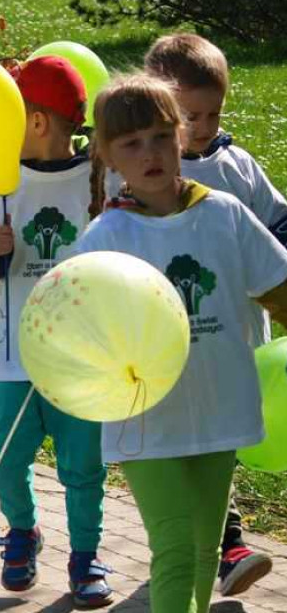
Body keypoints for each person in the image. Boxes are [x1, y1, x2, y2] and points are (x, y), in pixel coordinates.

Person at [80, 74, 287, 613]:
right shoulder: (105, 239)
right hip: (147, 423)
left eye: (159, 136)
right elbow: (77, 330)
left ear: (182, 135)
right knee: (173, 550)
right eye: (130, 144)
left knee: (203, 550)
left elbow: (280, 289)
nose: (148, 153)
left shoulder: (225, 215)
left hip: (221, 411)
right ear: (108, 156)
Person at [0, 57, 112, 607]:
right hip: (14, 356)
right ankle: (21, 532)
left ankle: (86, 554)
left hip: (81, 358)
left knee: (83, 467)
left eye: (12, 114)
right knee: (4, 453)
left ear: (39, 121)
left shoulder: (98, 179)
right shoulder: (2, 180)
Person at [144, 33, 280, 597]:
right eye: (189, 115)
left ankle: (219, 545)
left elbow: (277, 222)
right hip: (173, 345)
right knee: (193, 439)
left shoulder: (237, 165)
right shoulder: (147, 184)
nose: (201, 126)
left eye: (212, 113)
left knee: (222, 436)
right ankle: (221, 545)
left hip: (237, 333)